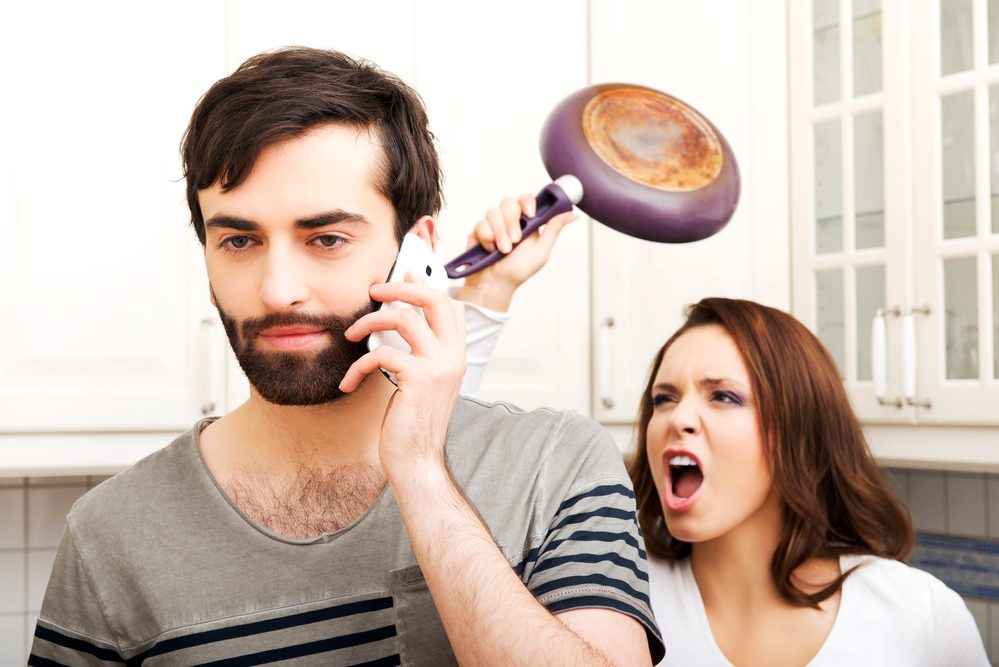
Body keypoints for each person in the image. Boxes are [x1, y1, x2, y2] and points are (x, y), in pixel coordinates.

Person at [29, 47, 663, 666]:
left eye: (327, 238)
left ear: (418, 253)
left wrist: (419, 472)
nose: (278, 290)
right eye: (239, 240)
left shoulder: (555, 468)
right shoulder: (108, 535)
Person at [630, 297, 988, 665]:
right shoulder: (619, 604)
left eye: (723, 396)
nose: (678, 418)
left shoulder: (919, 616)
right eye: (664, 398)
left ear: (799, 430)